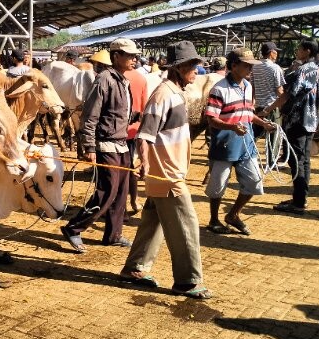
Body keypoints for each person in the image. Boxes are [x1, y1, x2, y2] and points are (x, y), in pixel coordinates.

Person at [118, 40, 212, 299]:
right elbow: (145, 135)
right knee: (186, 225)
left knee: (153, 222)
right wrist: (146, 163)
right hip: (167, 176)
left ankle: (135, 268)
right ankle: (187, 281)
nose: (196, 71)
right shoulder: (163, 94)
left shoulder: (175, 92)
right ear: (179, 68)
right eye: (192, 66)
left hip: (168, 172)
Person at [60, 38, 141, 253]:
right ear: (116, 56)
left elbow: (117, 112)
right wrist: (89, 147)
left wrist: (137, 116)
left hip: (121, 143)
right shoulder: (104, 80)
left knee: (121, 192)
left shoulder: (122, 81)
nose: (134, 59)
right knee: (107, 191)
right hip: (106, 144)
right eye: (130, 55)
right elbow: (90, 116)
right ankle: (74, 228)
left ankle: (113, 235)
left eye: (135, 56)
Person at [204, 48, 275, 235]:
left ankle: (233, 214)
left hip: (246, 144)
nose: (250, 69)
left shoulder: (248, 86)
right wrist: (232, 127)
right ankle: (213, 220)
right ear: (234, 66)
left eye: (251, 65)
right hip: (224, 145)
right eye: (247, 65)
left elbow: (248, 114)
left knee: (254, 182)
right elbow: (211, 119)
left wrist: (263, 123)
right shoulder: (219, 89)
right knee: (218, 186)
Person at [263, 39, 319, 215]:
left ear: (307, 51)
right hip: (311, 121)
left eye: (299, 49)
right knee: (305, 160)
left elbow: (288, 95)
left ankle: (298, 202)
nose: (297, 51)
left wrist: (268, 109)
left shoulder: (303, 71)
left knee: (296, 160)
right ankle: (301, 198)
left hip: (297, 121)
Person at [124, 56, 149, 216]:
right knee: (131, 167)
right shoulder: (141, 78)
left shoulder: (112, 76)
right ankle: (134, 200)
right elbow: (144, 108)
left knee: (118, 171)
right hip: (134, 130)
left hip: (115, 132)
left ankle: (121, 207)